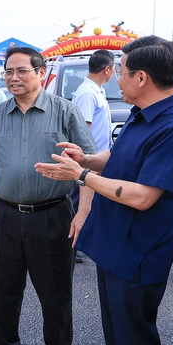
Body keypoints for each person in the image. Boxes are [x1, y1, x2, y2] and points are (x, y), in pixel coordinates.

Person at [35, 35, 173, 345]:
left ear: (142, 77)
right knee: (116, 332)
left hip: (140, 251)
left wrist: (80, 177)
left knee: (137, 337)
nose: (117, 79)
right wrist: (87, 160)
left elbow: (143, 195)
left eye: (123, 72)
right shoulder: (143, 115)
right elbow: (122, 160)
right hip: (114, 243)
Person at [0, 46, 97, 345]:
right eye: (8, 72)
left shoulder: (65, 112)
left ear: (41, 73)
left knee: (56, 293)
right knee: (2, 290)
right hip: (6, 216)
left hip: (52, 215)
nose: (13, 78)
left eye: (22, 71)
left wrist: (83, 211)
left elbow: (86, 163)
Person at [69, 49, 115, 263]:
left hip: (99, 158)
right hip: (89, 158)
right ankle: (74, 243)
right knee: (79, 202)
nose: (115, 73)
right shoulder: (87, 93)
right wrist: (86, 160)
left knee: (91, 203)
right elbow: (83, 130)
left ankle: (82, 240)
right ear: (107, 69)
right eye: (115, 69)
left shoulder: (97, 90)